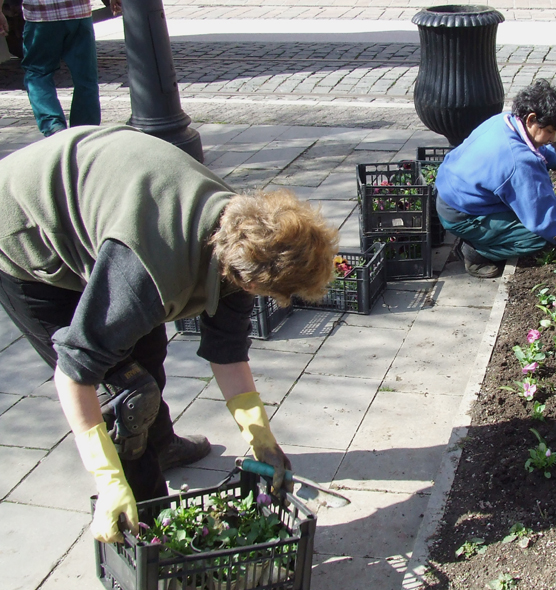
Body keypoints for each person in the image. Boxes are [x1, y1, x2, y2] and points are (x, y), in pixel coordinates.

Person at [0, 125, 339, 543]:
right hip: (21, 229)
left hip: (102, 205)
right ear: (252, 280)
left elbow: (228, 351)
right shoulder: (147, 270)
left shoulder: (244, 237)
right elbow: (75, 372)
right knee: (124, 396)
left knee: (148, 350)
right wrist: (108, 480)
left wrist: (261, 438)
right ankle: (150, 535)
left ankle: (161, 446)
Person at [435, 79, 556, 279]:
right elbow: (541, 210)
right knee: (538, 239)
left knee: (525, 215)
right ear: (531, 119)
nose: (553, 138)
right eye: (550, 131)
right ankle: (474, 252)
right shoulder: (518, 161)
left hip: (452, 193)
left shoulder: (505, 120)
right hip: (462, 214)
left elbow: (536, 146)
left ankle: (480, 237)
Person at [20, 0, 100, 136]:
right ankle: (84, 131)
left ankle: (53, 126)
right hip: (78, 13)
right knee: (86, 76)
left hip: (41, 15)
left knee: (38, 74)